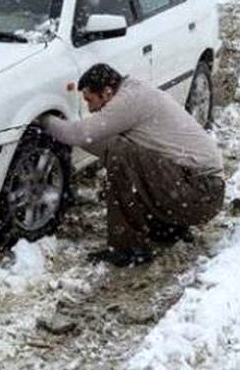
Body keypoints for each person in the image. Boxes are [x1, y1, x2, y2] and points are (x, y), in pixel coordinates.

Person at [43, 63, 225, 267]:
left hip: (200, 194)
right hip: (197, 189)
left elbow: (82, 135)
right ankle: (168, 228)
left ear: (107, 92)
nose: (91, 109)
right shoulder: (134, 91)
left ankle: (130, 249)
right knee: (127, 153)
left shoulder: (128, 102)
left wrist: (44, 121)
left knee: (122, 155)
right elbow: (97, 141)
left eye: (90, 100)